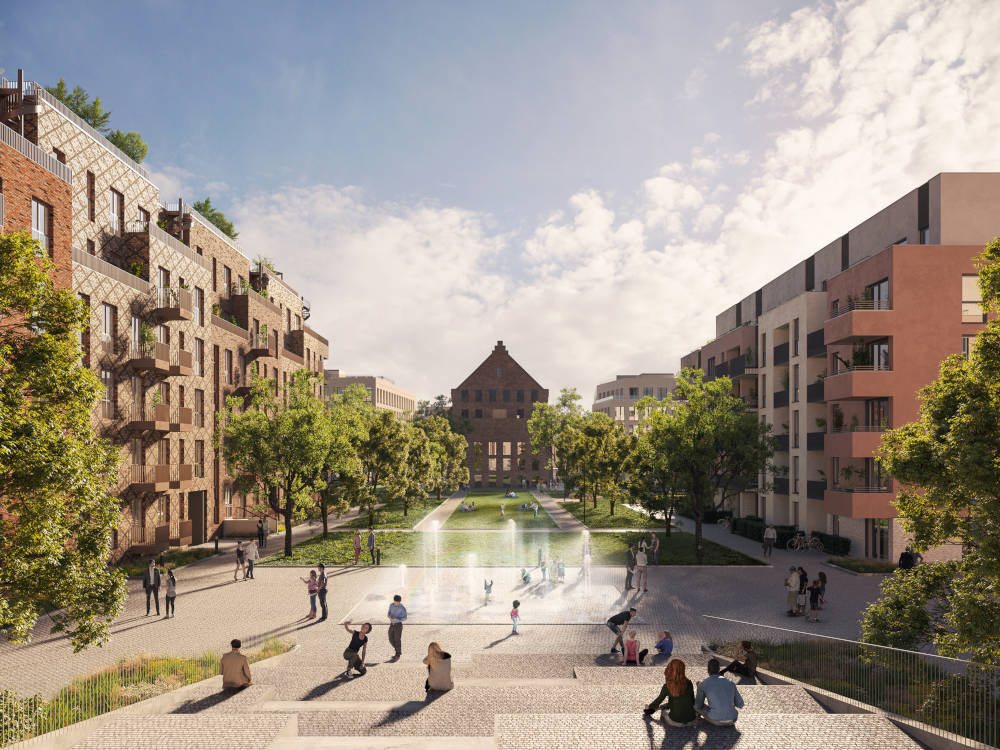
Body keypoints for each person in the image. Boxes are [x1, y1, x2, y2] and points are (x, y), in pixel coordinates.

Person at [644, 658, 697, 727]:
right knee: (672, 702)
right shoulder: (689, 683)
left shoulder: (667, 686)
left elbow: (658, 700)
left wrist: (648, 708)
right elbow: (692, 701)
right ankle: (661, 707)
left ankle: (658, 708)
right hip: (691, 720)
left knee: (664, 711)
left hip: (675, 721)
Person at [696, 658, 744, 725]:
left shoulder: (704, 684)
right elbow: (740, 704)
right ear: (719, 670)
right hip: (733, 719)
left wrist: (699, 688)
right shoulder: (731, 683)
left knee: (695, 705)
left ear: (708, 670)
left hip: (716, 720)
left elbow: (698, 705)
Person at [388, 594, 407, 660]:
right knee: (390, 638)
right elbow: (389, 613)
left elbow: (405, 618)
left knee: (397, 640)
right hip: (392, 624)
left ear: (399, 602)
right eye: (395, 602)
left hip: (398, 625)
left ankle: (397, 654)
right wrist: (389, 616)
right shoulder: (391, 605)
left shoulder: (402, 608)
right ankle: (398, 650)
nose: (396, 603)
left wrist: (396, 619)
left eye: (397, 602)